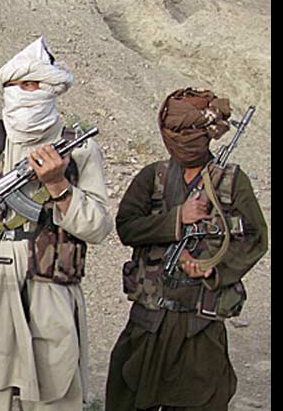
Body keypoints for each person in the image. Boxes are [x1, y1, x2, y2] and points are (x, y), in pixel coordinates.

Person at [0, 36, 113, 411]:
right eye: (17, 85)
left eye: (33, 84)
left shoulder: (78, 148)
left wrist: (59, 186)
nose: (24, 93)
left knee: (53, 389)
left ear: (51, 89)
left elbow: (98, 226)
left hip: (50, 286)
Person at [104, 88, 268, 411]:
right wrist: (177, 218)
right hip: (149, 321)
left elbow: (255, 237)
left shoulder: (231, 182)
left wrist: (214, 268)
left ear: (208, 134)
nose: (185, 140)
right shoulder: (153, 178)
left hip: (199, 324)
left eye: (192, 132)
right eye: (178, 132)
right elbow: (127, 227)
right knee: (128, 395)